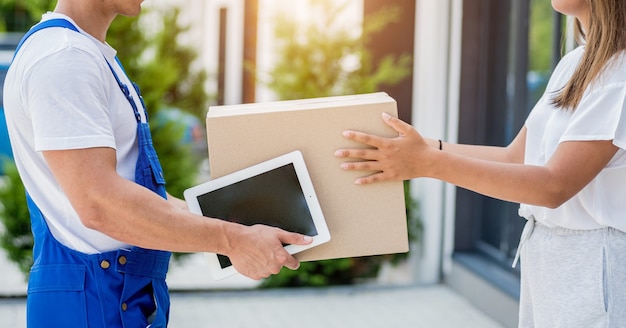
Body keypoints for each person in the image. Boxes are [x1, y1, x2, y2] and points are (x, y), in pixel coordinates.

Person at [3, 0, 312, 327]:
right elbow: (99, 204)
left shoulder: (85, 53)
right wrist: (231, 240)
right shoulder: (64, 58)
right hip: (94, 304)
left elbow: (138, 196)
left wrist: (243, 226)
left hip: (116, 297)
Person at [335, 0, 626, 327]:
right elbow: (515, 158)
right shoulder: (576, 63)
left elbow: (553, 185)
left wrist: (428, 163)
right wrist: (420, 148)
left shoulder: (620, 74)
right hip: (550, 257)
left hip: (595, 264)